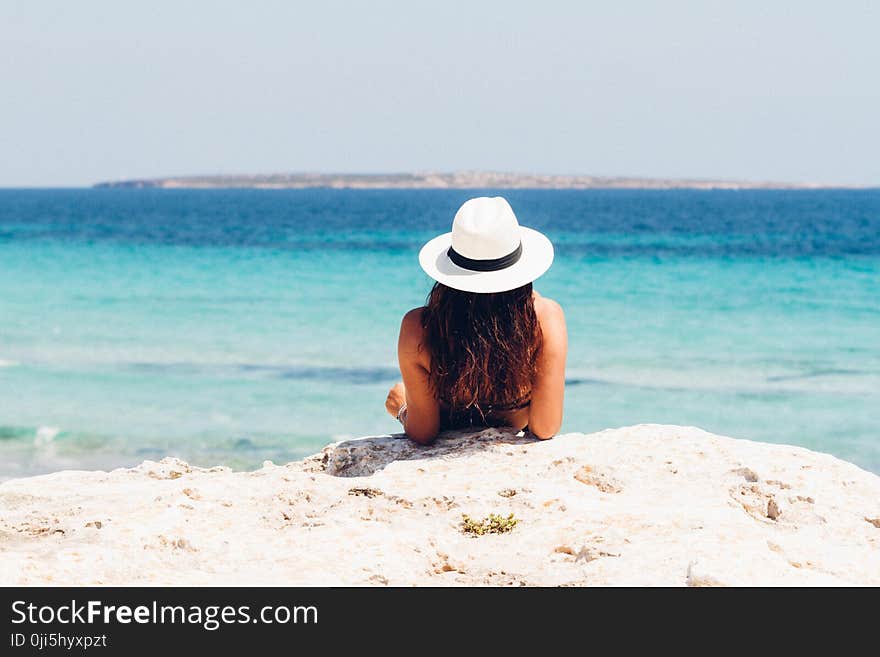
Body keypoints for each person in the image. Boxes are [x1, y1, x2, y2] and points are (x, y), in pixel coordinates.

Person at [385, 196, 567, 444]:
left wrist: (402, 408)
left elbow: (424, 432)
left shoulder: (419, 328)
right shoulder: (545, 318)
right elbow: (545, 427)